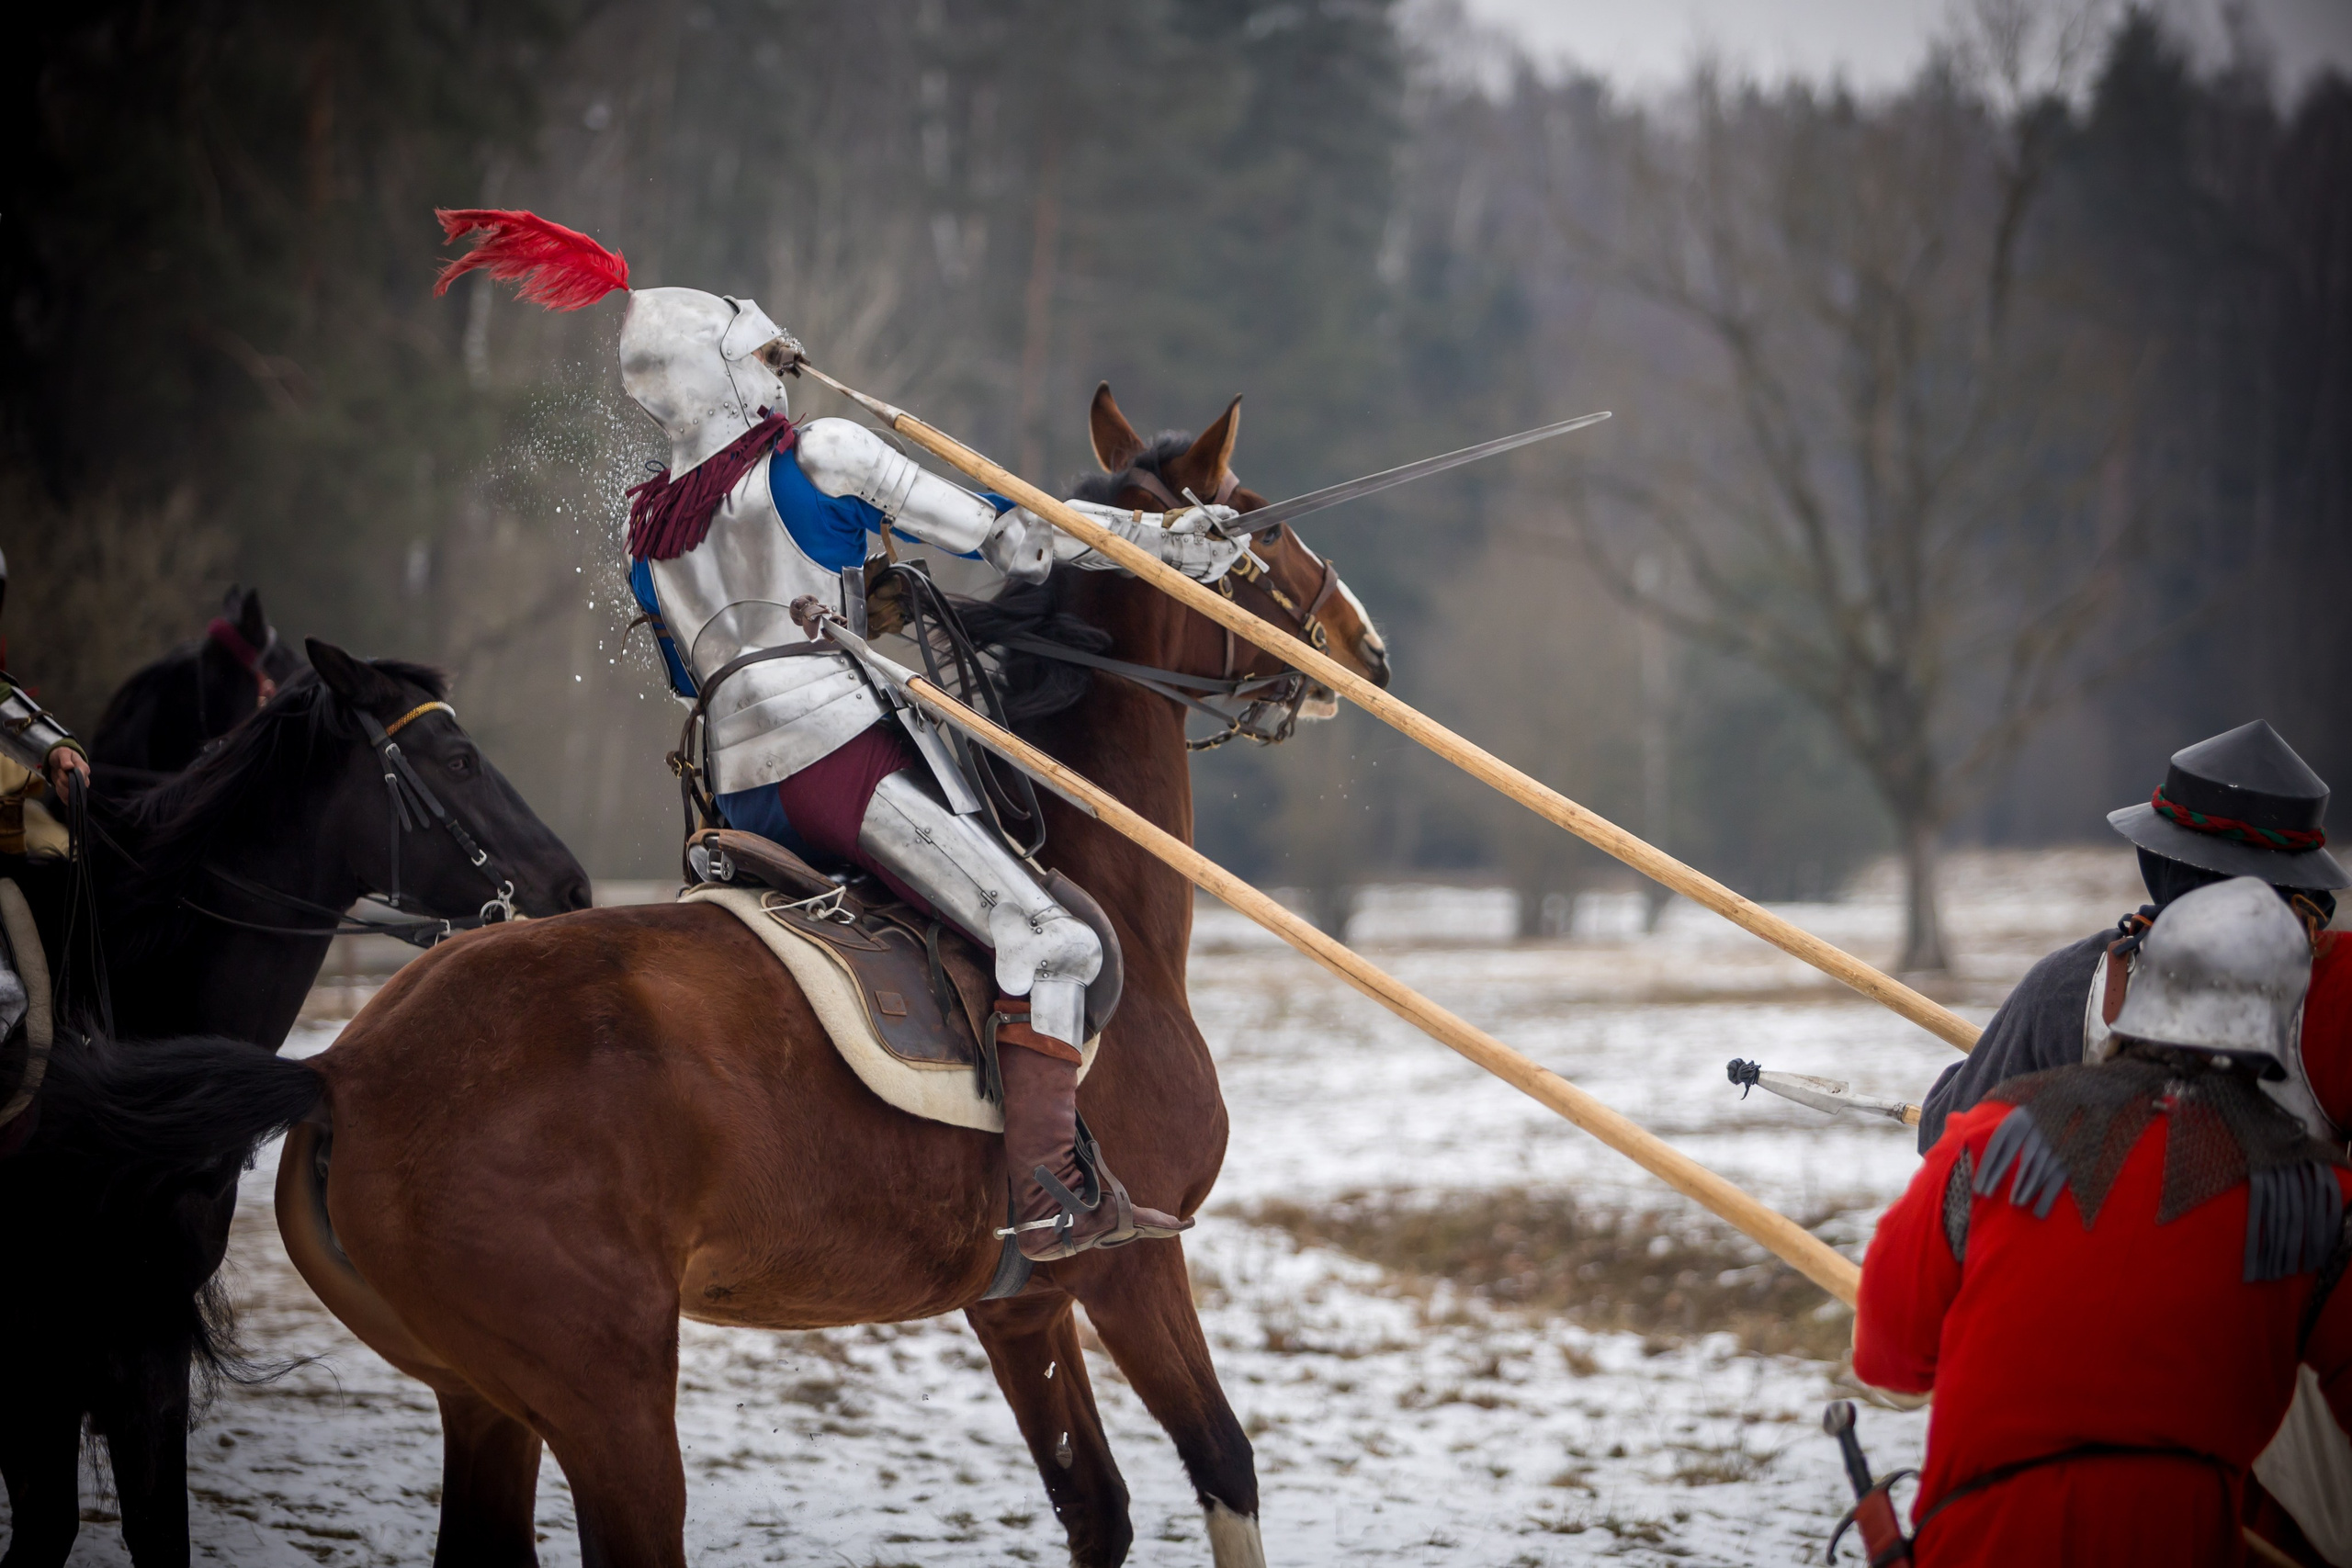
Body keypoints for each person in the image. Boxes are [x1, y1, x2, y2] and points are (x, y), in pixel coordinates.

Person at [434, 208, 1246, 1261]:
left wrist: (863, 600)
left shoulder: (651, 520)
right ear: (734, 369)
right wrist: (1163, 543)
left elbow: (698, 667)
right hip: (838, 765)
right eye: (765, 353)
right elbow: (1015, 540)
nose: (784, 369)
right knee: (1052, 938)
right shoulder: (821, 452)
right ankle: (1049, 1191)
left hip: (735, 793)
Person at [1856, 875, 2352, 1564]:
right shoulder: (2319, 1195)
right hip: (2178, 1540)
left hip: (1983, 1537)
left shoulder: (1991, 1135)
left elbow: (1890, 1356)